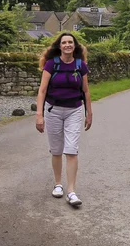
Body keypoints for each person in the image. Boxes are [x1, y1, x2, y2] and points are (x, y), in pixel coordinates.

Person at [36, 33, 93, 206]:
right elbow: (42, 90)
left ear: (74, 46)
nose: (67, 45)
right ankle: (58, 184)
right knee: (56, 149)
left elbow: (86, 91)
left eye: (70, 42)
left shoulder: (80, 65)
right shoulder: (51, 64)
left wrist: (89, 113)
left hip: (74, 110)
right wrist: (39, 115)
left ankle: (71, 191)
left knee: (72, 149)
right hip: (53, 110)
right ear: (59, 46)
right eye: (64, 42)